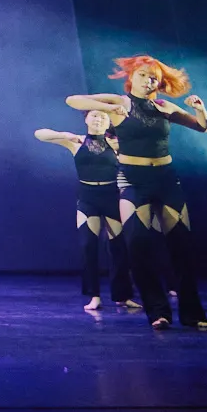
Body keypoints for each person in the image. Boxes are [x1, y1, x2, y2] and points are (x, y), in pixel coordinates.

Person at [66, 55, 207, 329]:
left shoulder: (164, 107)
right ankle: (158, 312)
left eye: (153, 77)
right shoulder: (120, 103)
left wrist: (200, 109)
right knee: (138, 245)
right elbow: (73, 100)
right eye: (143, 75)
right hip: (132, 181)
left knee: (182, 247)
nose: (148, 80)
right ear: (131, 78)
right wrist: (109, 107)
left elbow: (203, 127)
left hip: (166, 179)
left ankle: (193, 315)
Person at [34, 110, 137, 312]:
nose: (98, 119)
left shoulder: (116, 144)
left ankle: (122, 296)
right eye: (95, 115)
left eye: (103, 117)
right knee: (88, 245)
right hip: (88, 197)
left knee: (118, 247)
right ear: (86, 119)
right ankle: (94, 296)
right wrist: (65, 135)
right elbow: (40, 134)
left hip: (111, 196)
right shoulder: (77, 142)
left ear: (109, 123)